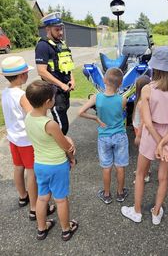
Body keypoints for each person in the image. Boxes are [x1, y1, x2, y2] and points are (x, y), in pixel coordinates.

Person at [121, 46, 168, 225]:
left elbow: (147, 123)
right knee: (163, 177)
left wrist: (159, 144)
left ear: (155, 67)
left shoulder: (148, 89)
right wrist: (164, 144)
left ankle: (137, 211)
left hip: (151, 136)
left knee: (140, 174)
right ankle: (156, 212)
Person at [25, 80, 78, 241]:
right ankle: (66, 229)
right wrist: (72, 156)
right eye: (53, 98)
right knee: (61, 199)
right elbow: (64, 146)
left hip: (39, 164)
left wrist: (65, 138)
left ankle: (42, 228)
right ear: (48, 102)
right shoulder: (50, 124)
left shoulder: (28, 117)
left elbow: (48, 139)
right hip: (56, 165)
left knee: (42, 198)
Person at [78, 68, 129, 204]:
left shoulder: (97, 97)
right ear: (120, 83)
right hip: (120, 136)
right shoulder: (123, 99)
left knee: (106, 167)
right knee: (120, 166)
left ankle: (106, 194)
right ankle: (120, 193)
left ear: (104, 80)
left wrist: (96, 119)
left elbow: (80, 112)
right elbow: (120, 111)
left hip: (104, 136)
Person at [0, 56, 38, 217]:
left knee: (18, 167)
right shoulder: (21, 95)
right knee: (31, 171)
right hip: (26, 140)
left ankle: (23, 196)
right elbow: (33, 115)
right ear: (22, 75)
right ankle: (35, 208)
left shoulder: (5, 92)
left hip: (13, 138)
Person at [35, 12, 75, 135]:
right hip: (54, 92)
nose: (61, 32)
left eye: (61, 29)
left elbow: (69, 65)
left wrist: (72, 80)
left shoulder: (62, 44)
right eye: (57, 29)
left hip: (64, 91)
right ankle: (61, 150)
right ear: (48, 29)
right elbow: (41, 71)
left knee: (62, 116)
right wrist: (61, 85)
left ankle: (59, 146)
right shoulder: (42, 46)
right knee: (62, 125)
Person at [133, 75, 151, 183]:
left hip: (142, 131)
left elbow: (143, 121)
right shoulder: (141, 100)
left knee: (144, 153)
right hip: (138, 129)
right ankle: (143, 170)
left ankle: (145, 174)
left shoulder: (141, 103)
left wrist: (138, 136)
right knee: (142, 152)